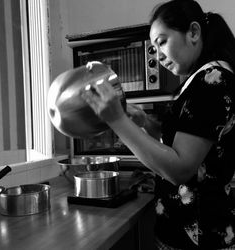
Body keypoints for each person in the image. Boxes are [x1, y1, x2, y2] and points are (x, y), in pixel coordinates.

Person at [80, 0, 235, 249]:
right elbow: (183, 144)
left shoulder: (212, 79)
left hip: (203, 239)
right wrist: (145, 122)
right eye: (154, 47)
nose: (158, 55)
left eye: (162, 42)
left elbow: (180, 169)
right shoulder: (201, 79)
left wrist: (117, 121)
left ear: (193, 32)